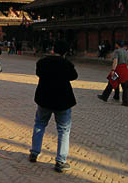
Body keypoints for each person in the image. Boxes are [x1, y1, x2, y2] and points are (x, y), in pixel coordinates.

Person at [28, 40, 78, 173]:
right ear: (65, 52)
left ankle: (34, 152)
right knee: (63, 130)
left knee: (39, 124)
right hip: (62, 100)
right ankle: (60, 161)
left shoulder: (42, 62)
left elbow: (38, 73)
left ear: (53, 49)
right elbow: (74, 76)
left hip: (44, 98)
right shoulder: (66, 64)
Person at [97, 41, 128, 106]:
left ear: (117, 45)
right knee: (125, 86)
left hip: (118, 69)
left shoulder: (117, 51)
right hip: (125, 69)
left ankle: (104, 96)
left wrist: (113, 70)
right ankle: (125, 102)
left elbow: (115, 61)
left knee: (111, 82)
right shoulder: (127, 52)